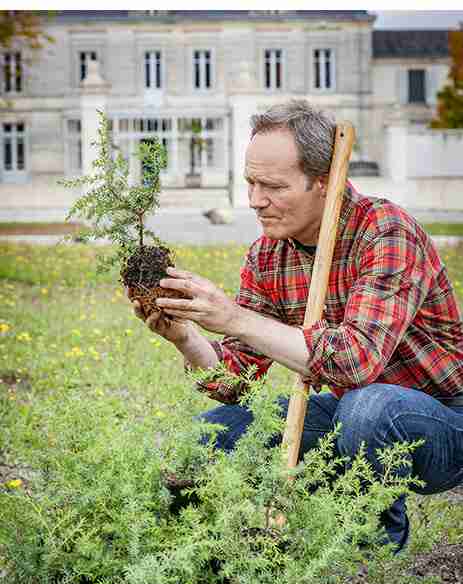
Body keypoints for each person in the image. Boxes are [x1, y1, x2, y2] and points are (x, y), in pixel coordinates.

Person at [131, 99, 463, 551]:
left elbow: (356, 362)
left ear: (324, 183)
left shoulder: (386, 231)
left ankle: (374, 554)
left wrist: (234, 316)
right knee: (208, 436)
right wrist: (186, 337)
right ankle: (215, 552)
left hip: (443, 418)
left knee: (368, 408)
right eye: (250, 183)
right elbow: (234, 382)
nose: (255, 201)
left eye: (272, 186)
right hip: (352, 412)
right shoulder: (269, 255)